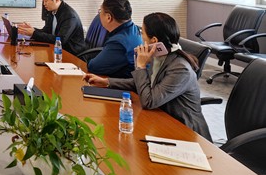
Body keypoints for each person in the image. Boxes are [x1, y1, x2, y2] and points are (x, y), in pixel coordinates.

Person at [84, 12, 212, 141]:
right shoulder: (160, 57)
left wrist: (141, 66)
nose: (141, 37)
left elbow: (149, 101)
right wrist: (107, 82)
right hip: (162, 120)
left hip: (185, 132)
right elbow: (143, 83)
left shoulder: (180, 69)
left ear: (154, 40)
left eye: (142, 33)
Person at [17, 0, 86, 56]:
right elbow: (47, 31)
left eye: (46, 1)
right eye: (43, 1)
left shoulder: (69, 16)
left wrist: (34, 33)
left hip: (72, 54)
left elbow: (60, 40)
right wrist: (31, 30)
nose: (44, 4)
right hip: (57, 51)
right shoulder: (52, 12)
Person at [86, 0, 142, 78]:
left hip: (124, 84)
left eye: (100, 11)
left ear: (108, 17)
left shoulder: (118, 42)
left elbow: (93, 67)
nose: (99, 14)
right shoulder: (133, 28)